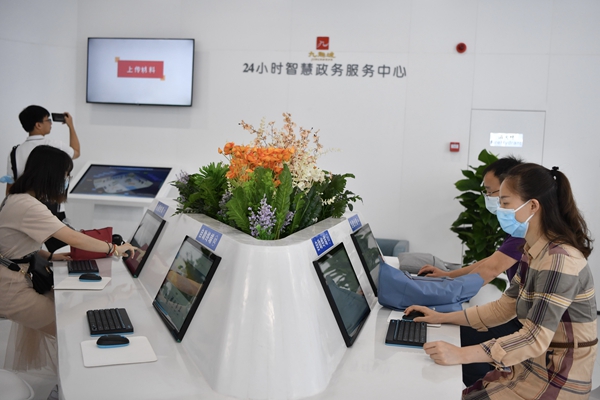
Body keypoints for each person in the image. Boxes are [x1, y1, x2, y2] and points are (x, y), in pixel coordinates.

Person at [406, 163, 597, 399]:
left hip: (554, 381)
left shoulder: (559, 260)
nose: (500, 210)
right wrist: (441, 317)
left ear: (533, 206)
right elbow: (503, 308)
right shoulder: (532, 252)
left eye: (505, 203)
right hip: (527, 370)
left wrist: (461, 354)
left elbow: (534, 338)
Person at [0, 145, 136, 371]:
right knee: (69, 327)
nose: (66, 180)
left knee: (67, 317)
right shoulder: (28, 205)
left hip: (15, 278)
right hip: (11, 288)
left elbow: (12, 244)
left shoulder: (18, 198)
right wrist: (113, 248)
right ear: (51, 173)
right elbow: (72, 237)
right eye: (65, 174)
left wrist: (50, 255)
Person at [418, 156, 525, 386]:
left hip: (523, 326)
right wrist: (446, 276)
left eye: (492, 193)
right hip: (515, 313)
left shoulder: (527, 234)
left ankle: (481, 388)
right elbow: (490, 261)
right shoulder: (516, 229)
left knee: (459, 338)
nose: (489, 198)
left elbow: (490, 270)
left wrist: (438, 291)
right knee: (454, 328)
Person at [4, 105, 82, 253]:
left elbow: (10, 185)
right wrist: (70, 125)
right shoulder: (53, 146)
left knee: (29, 250)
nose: (51, 123)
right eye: (48, 120)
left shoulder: (15, 151)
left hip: (24, 209)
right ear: (38, 125)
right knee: (67, 248)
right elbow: (76, 152)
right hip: (51, 207)